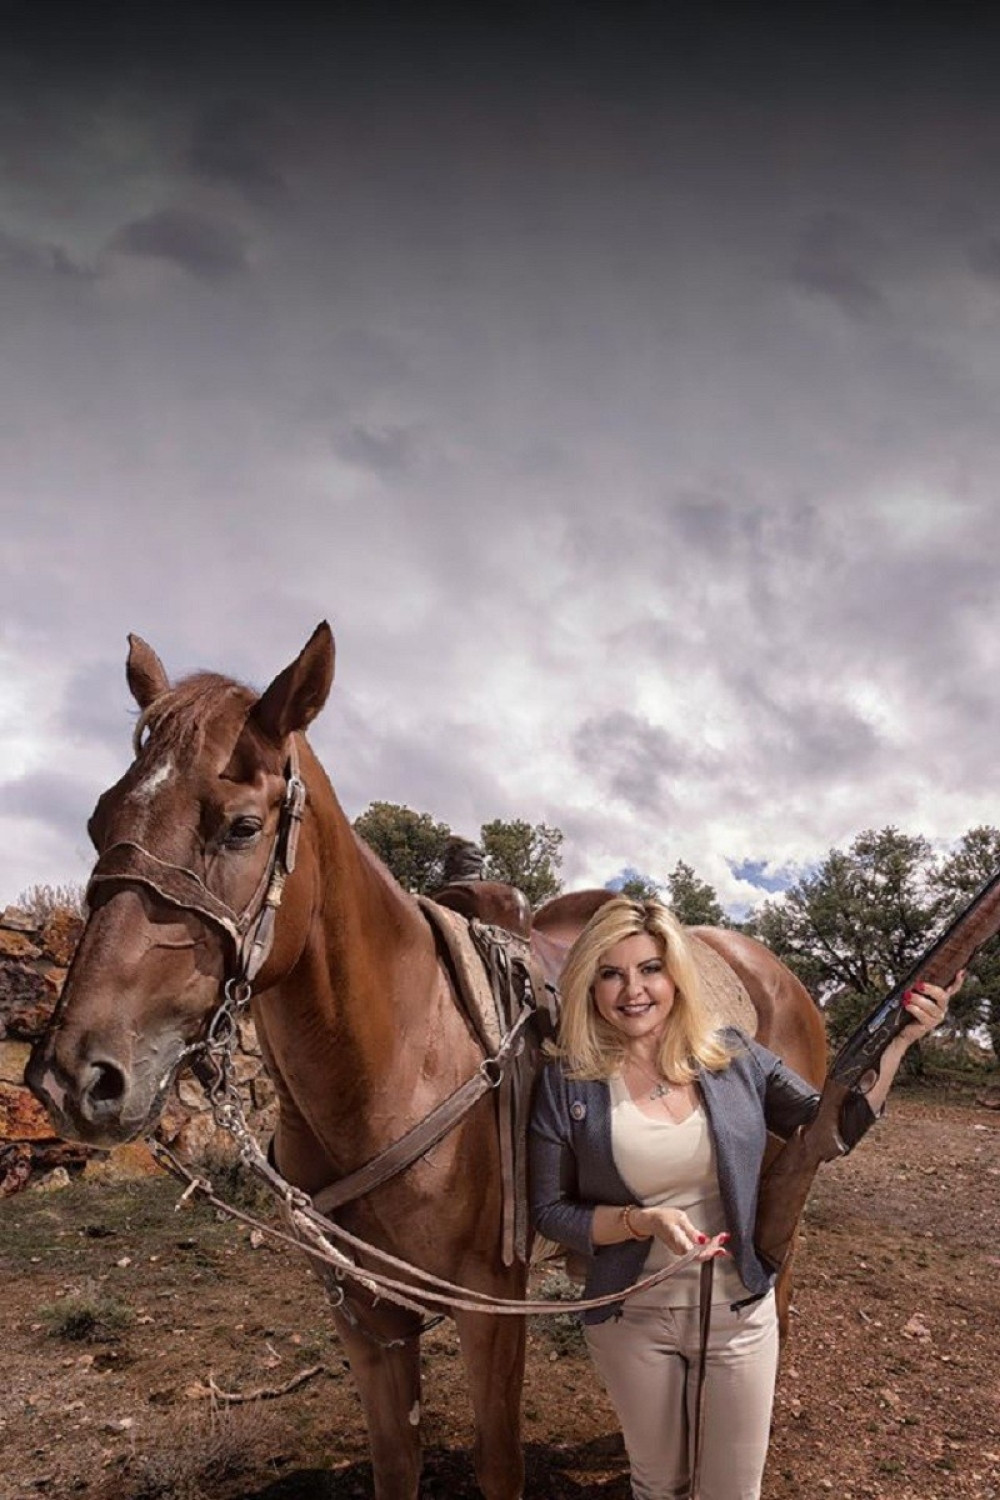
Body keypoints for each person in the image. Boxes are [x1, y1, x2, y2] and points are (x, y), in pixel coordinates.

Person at [528, 896, 960, 1500]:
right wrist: (639, 1221)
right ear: (590, 985)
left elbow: (827, 1129)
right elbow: (550, 1212)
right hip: (631, 1319)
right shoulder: (566, 1078)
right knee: (659, 1485)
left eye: (650, 968)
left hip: (739, 1316)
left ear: (675, 973)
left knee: (732, 1491)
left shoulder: (732, 1055)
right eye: (611, 972)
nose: (634, 990)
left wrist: (898, 1045)